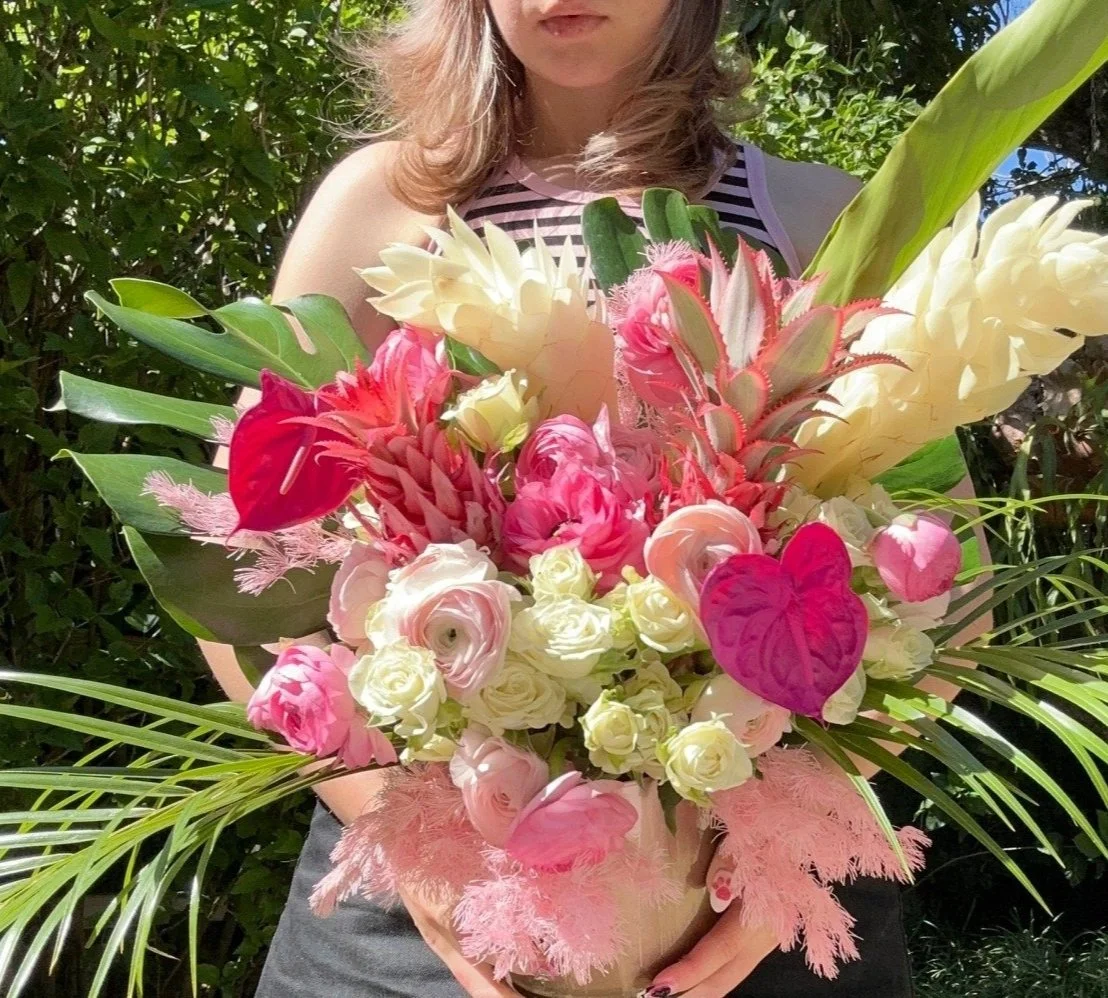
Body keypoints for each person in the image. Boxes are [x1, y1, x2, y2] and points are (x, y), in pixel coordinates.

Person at [203, 2, 934, 995]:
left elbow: (947, 588)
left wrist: (787, 857)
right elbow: (232, 563)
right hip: (412, 925)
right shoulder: (379, 207)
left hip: (747, 914)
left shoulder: (813, 216)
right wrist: (411, 848)